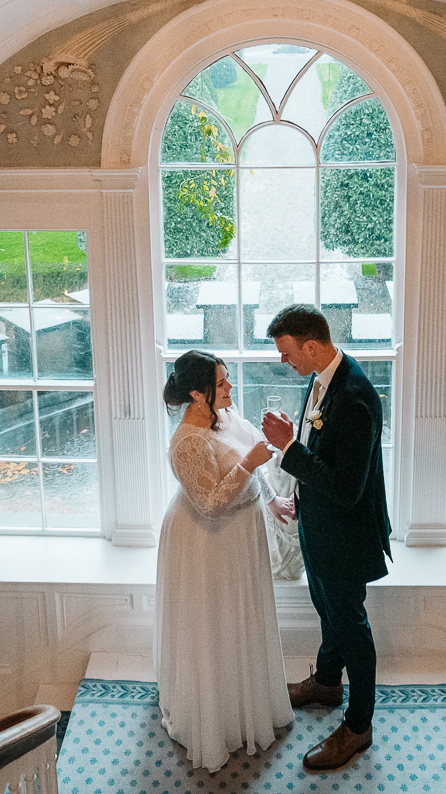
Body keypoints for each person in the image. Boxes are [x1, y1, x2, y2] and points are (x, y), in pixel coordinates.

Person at [260, 304, 392, 773]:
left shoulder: (355, 398)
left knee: (351, 625)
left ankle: (358, 727)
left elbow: (346, 487)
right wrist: (298, 489)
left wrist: (288, 448)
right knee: (327, 608)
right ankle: (328, 683)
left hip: (346, 536)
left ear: (311, 346)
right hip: (319, 526)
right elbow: (323, 456)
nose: (283, 360)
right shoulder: (320, 379)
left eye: (287, 352)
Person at [155, 350, 293, 771]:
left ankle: (249, 703)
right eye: (221, 382)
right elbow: (211, 503)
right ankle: (217, 720)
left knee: (243, 620)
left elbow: (250, 456)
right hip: (208, 542)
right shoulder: (187, 443)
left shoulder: (226, 416)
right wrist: (250, 465)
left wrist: (271, 502)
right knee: (215, 625)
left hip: (242, 534)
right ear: (197, 394)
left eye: (228, 379)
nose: (230, 387)